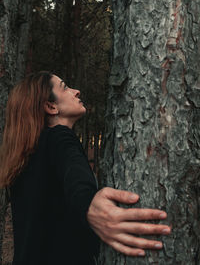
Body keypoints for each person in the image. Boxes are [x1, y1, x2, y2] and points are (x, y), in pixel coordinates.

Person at [0, 71, 171, 265]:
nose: (76, 91)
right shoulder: (60, 137)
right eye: (65, 87)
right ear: (51, 106)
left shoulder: (26, 157)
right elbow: (75, 177)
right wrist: (89, 205)